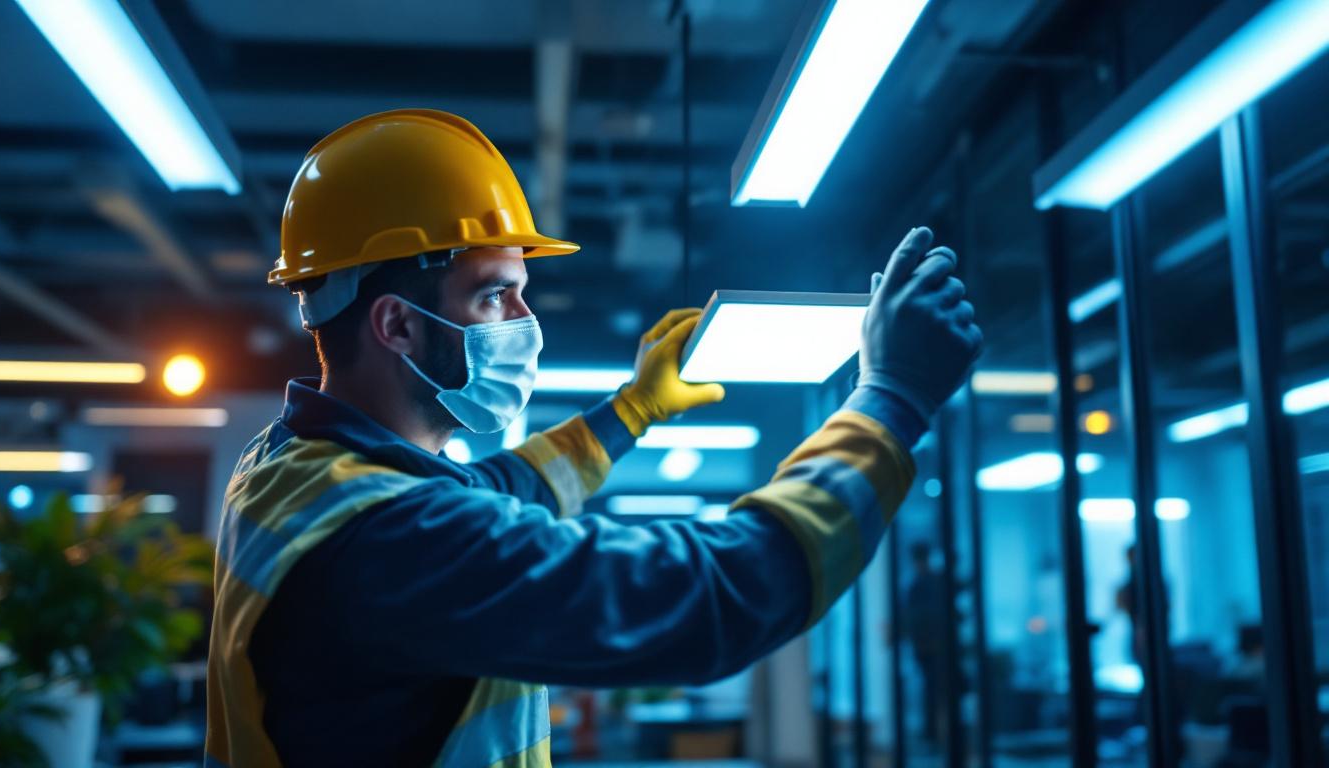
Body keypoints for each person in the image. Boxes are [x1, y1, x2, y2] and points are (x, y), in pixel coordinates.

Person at [203, 109, 982, 768]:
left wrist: (632, 409)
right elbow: (706, 598)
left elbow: (494, 494)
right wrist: (889, 404)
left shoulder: (290, 468)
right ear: (398, 324)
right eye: (494, 297)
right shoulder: (386, 539)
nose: (523, 325)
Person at [903, 541, 949, 748]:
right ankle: (934, 733)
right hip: (929, 646)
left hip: (932, 645)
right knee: (933, 690)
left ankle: (936, 733)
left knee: (935, 690)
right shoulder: (927, 582)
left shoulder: (924, 583)